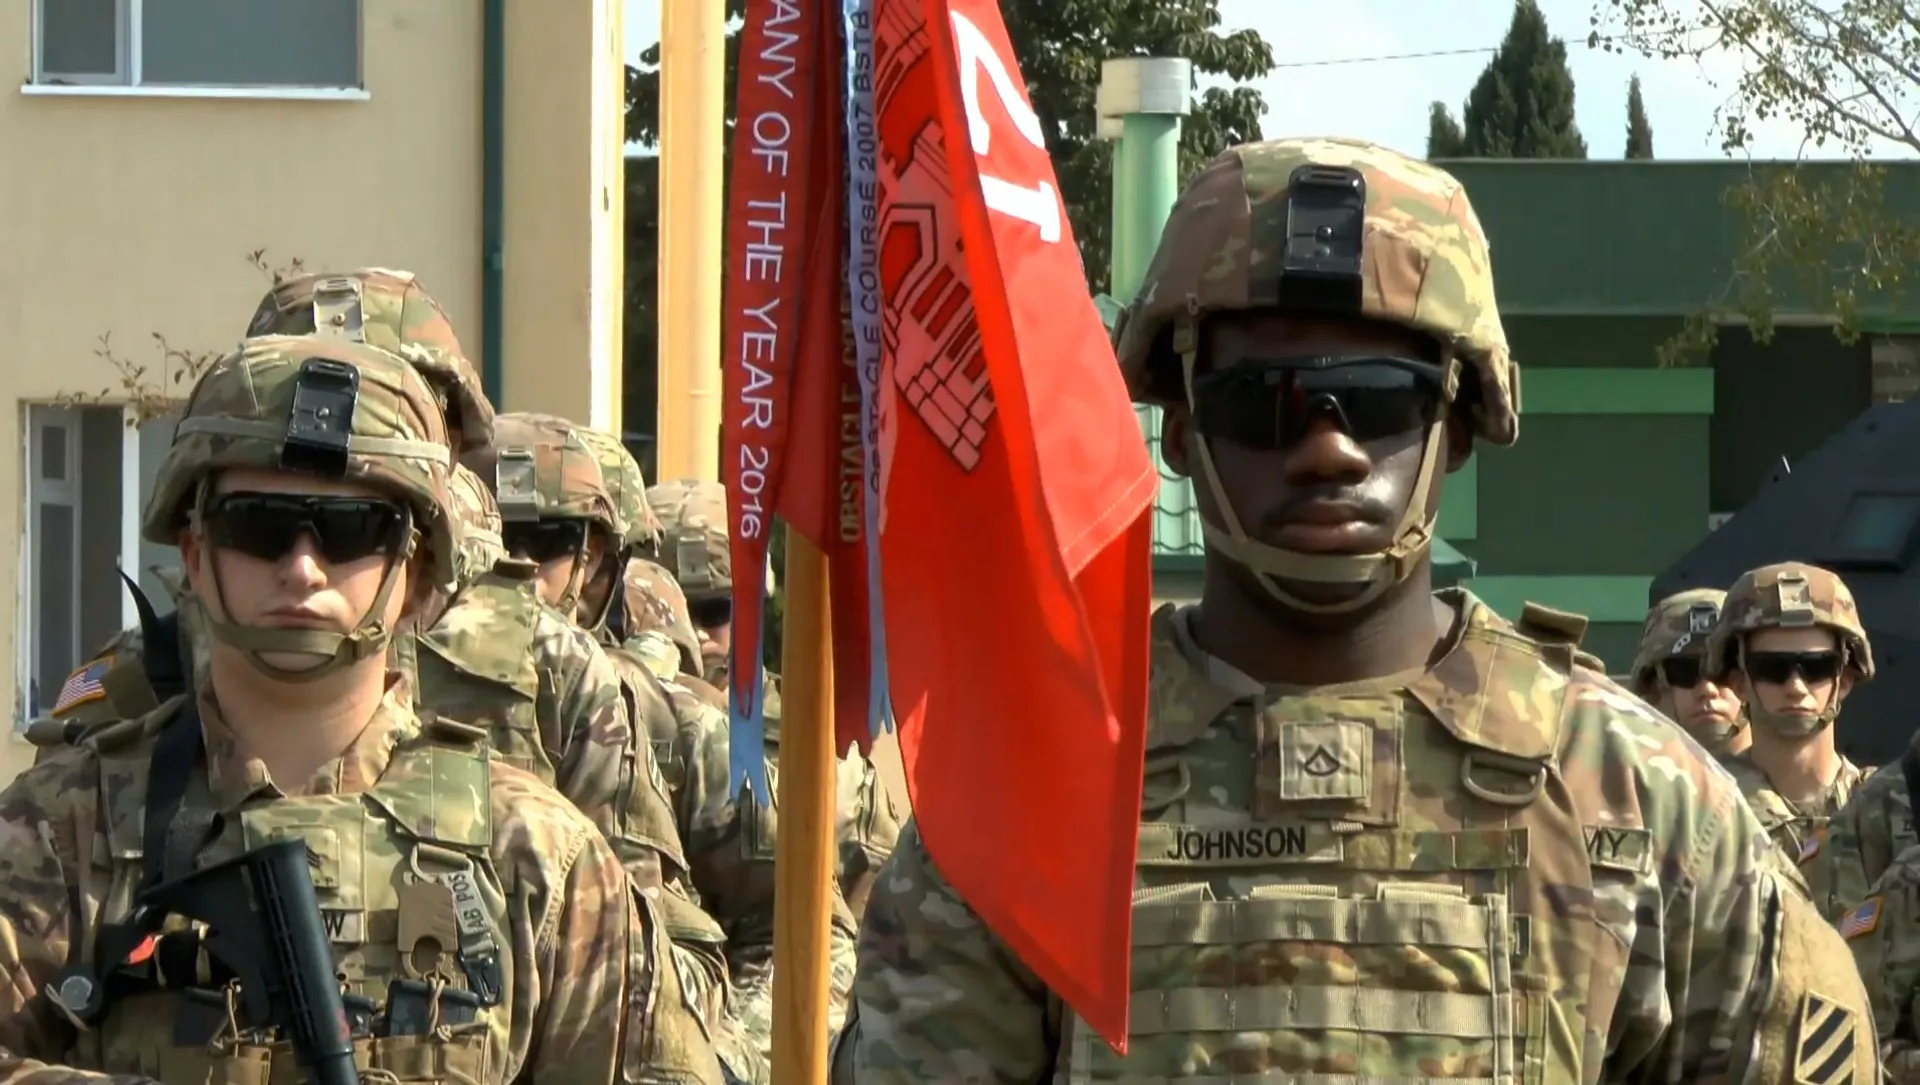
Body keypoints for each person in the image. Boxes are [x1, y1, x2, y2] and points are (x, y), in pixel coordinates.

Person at [833, 136, 1874, 1083]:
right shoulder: (1035, 788)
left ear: (1456, 426)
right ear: (1182, 430)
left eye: (1378, 399)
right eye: (1264, 402)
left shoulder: (1635, 796)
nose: (1327, 448)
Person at [0, 335, 720, 1084]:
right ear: (194, 553)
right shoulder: (60, 830)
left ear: (417, 571)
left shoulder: (538, 857)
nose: (302, 567)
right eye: (258, 524)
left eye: (351, 530)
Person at [1706, 562, 1873, 865]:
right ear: (1739, 683)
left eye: (1816, 667)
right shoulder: (1702, 809)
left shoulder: (1891, 808)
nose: (1796, 687)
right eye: (1772, 668)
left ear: (1845, 680)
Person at [1628, 588, 1747, 755]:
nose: (1708, 690)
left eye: (1723, 670)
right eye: (1685, 672)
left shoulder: (1784, 771)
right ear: (1654, 687)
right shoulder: (1625, 770)